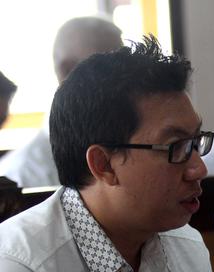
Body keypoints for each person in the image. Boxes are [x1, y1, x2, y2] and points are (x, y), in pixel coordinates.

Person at [0, 36, 214, 272]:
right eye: (176, 147)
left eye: (196, 142)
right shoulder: (21, 268)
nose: (198, 168)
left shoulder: (189, 252)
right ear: (103, 165)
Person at [0, 16, 123, 187]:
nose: (123, 80)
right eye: (108, 68)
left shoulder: (133, 147)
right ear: (68, 70)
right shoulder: (23, 175)